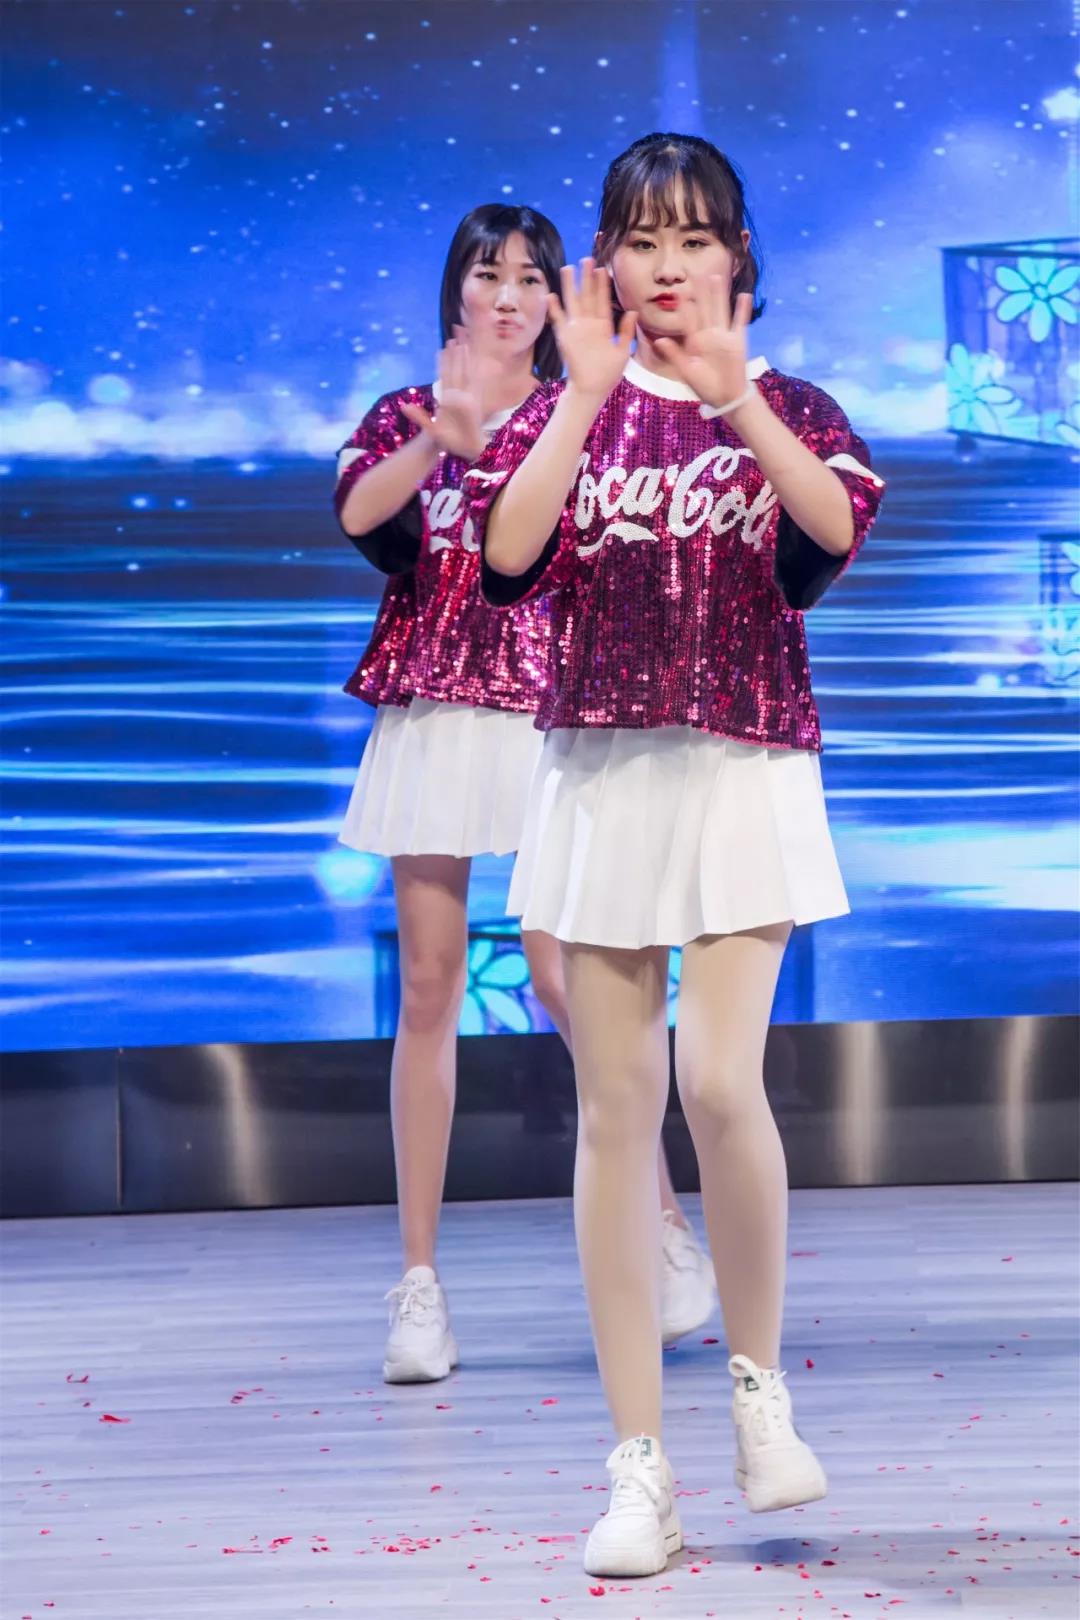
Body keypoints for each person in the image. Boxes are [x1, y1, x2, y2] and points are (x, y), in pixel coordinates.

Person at [465, 135, 885, 1576]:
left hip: (746, 765)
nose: (666, 265)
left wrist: (735, 396)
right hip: (601, 773)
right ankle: (639, 1464)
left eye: (693, 239)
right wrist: (583, 395)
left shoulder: (793, 405)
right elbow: (507, 560)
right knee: (617, 1109)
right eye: (641, 240)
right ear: (604, 263)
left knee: (719, 1082)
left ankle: (760, 1394)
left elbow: (832, 535)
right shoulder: (564, 409)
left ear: (738, 259)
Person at [335, 202, 715, 1387]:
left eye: (528, 277)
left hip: (551, 717)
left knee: (566, 980)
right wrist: (438, 444)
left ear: (559, 295)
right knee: (430, 986)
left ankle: (663, 1227)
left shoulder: (581, 409)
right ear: (455, 288)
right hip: (435, 714)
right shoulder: (405, 412)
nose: (506, 296)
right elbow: (360, 516)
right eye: (485, 274)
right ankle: (418, 1286)